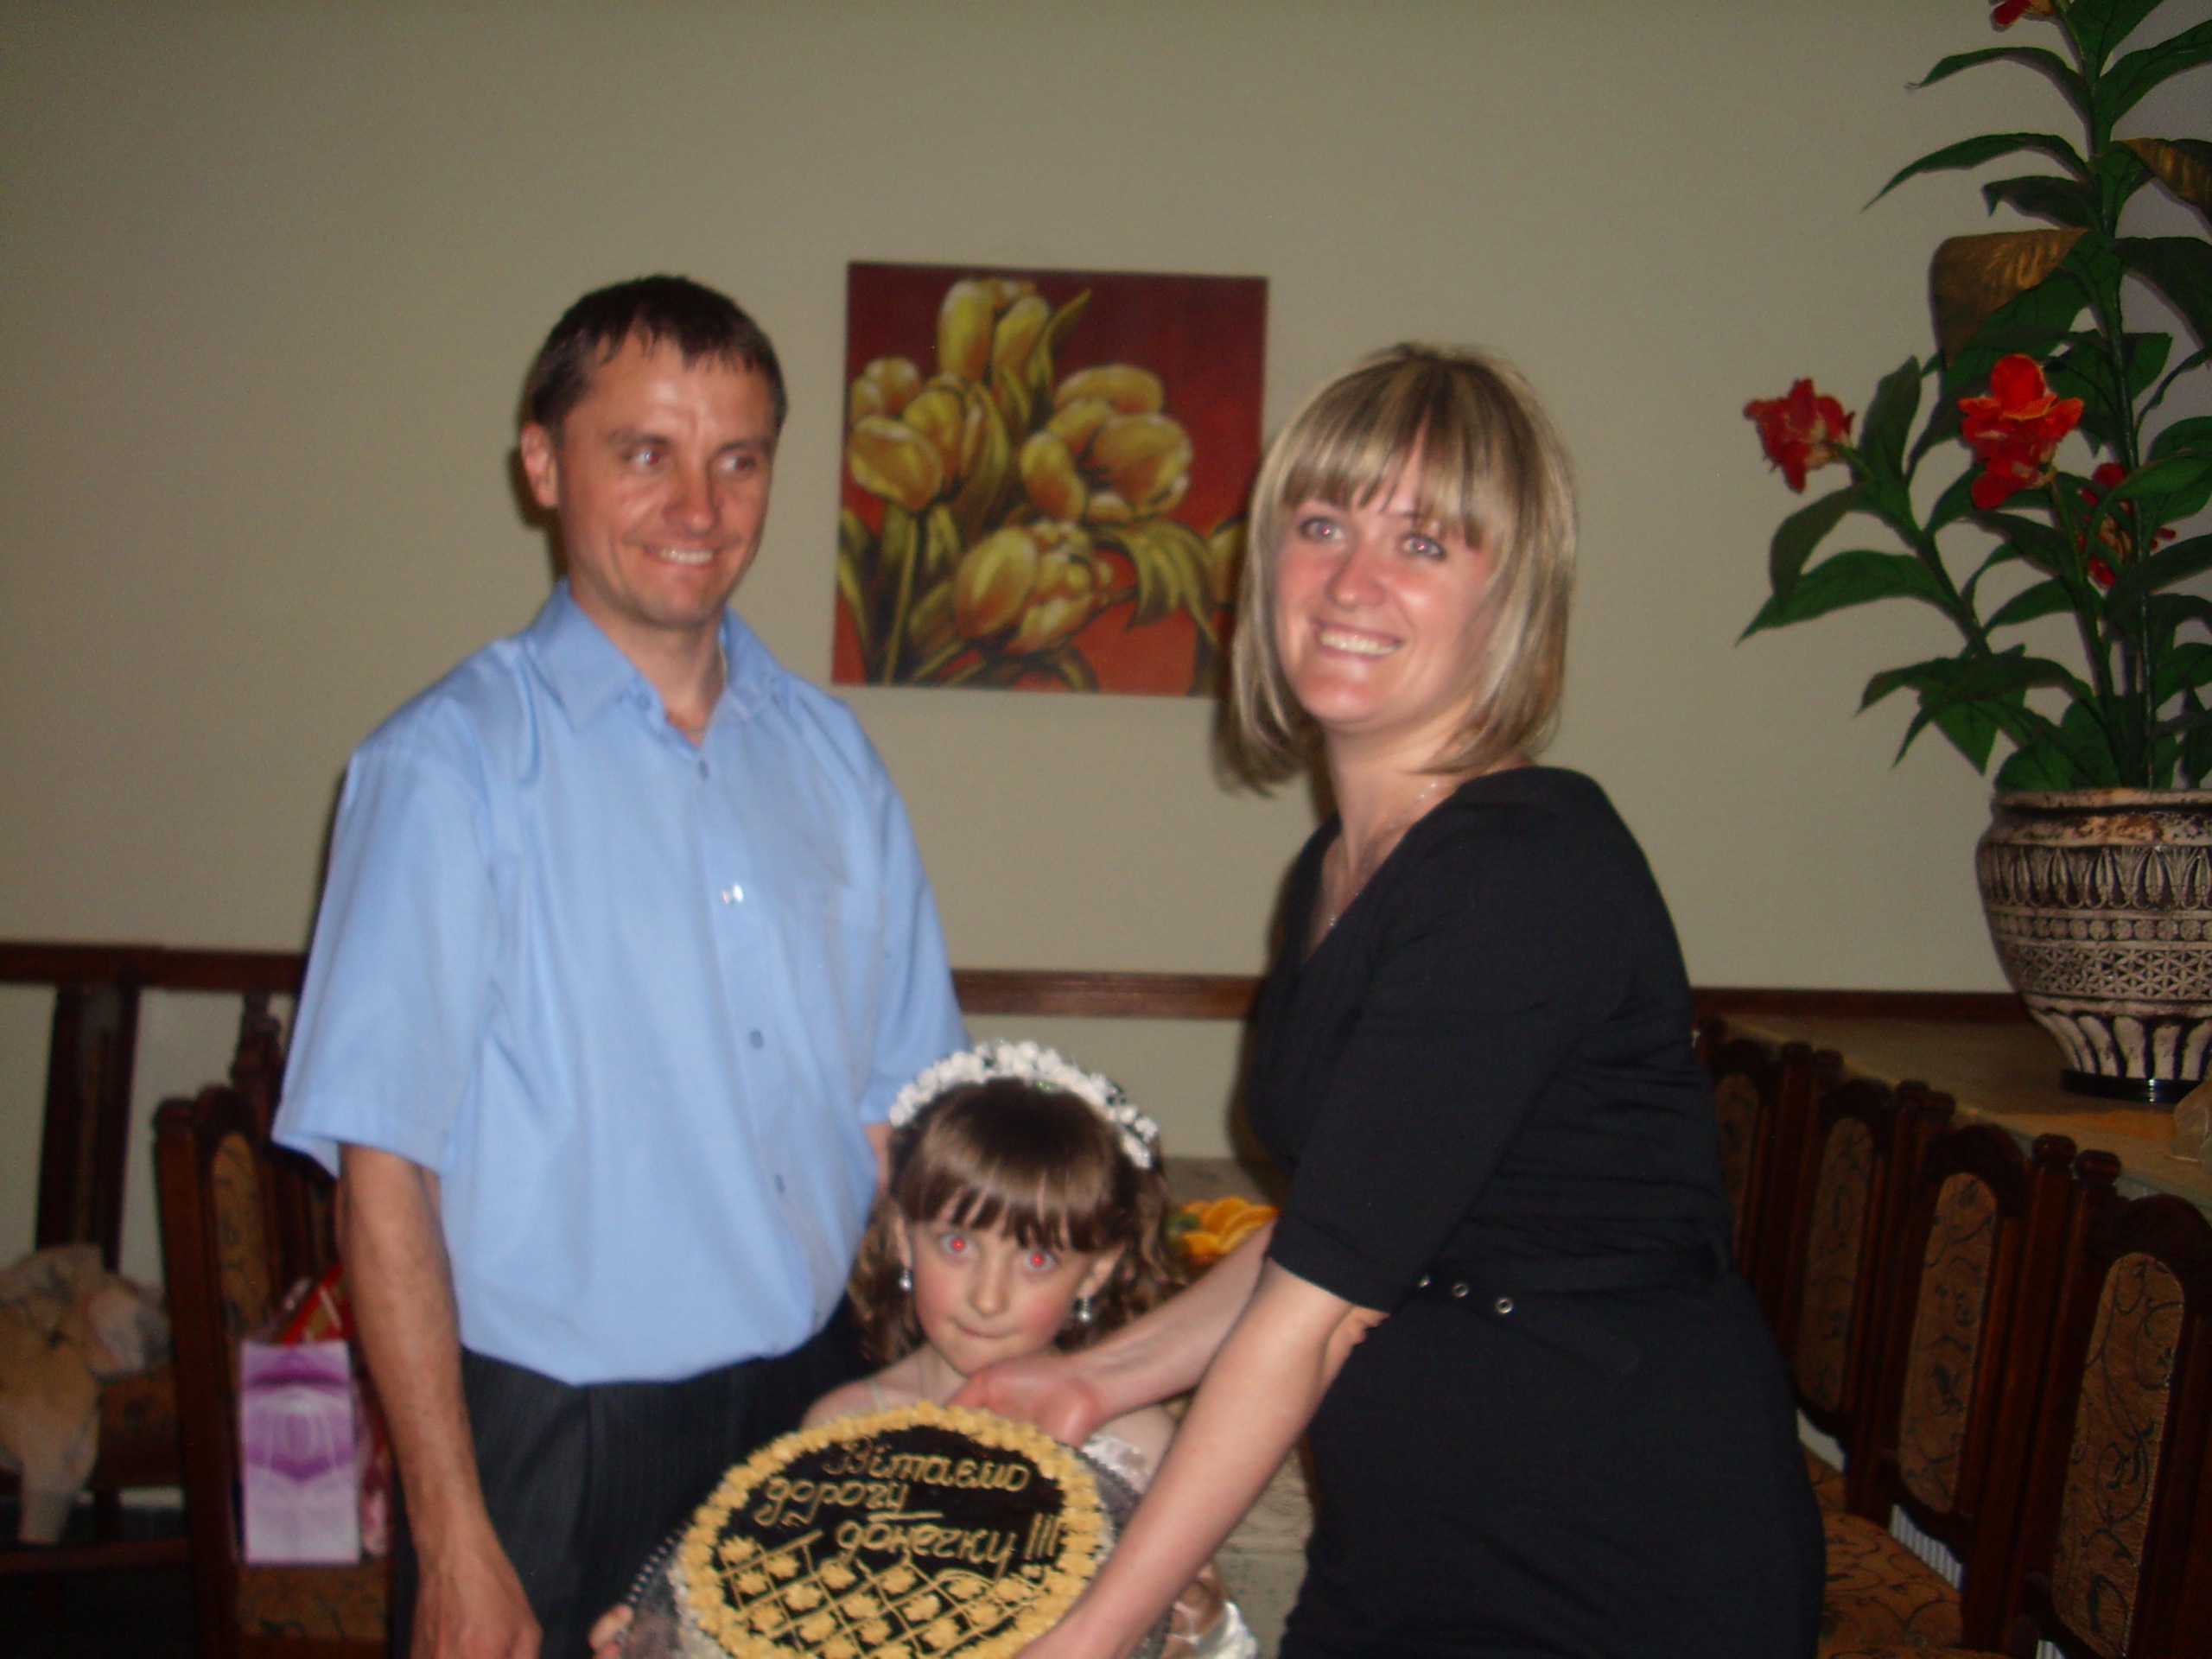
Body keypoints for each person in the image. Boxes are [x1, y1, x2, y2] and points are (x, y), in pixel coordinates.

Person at [960, 346, 1825, 1658]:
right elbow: (1336, 1228)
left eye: (1423, 542)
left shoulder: (1525, 871)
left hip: (1611, 1543)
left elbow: (1313, 1321)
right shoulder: (1336, 871)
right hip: (1413, 1530)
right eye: (1321, 526)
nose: (1352, 582)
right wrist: (1093, 1377)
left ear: (1510, 597)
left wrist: (1085, 1638)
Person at [273, 276, 968, 1659]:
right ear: (543, 463)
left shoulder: (833, 761)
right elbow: (383, 1176)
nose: (698, 507)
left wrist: (950, 1382)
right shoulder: (445, 769)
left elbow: (904, 1115)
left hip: (816, 1402)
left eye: (738, 460)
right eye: (645, 452)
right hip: (555, 1447)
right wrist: (452, 1532)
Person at [587, 1039, 1253, 1659]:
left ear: (1097, 1271)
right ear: (905, 1238)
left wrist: (1195, 1623)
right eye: (957, 1244)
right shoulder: (842, 1428)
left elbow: (1206, 1634)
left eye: (1037, 1259)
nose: (987, 1297)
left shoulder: (1138, 1441)